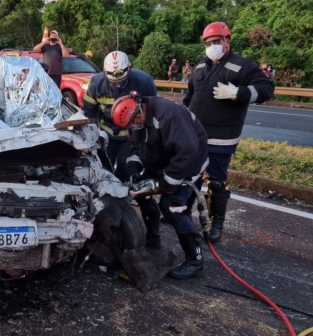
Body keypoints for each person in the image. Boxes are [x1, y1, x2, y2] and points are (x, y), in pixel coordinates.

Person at [184, 22, 274, 244]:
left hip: (222, 136)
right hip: (195, 133)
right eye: (208, 43)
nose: (212, 46)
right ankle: (182, 213)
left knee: (215, 181)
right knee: (189, 176)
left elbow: (266, 89)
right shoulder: (199, 67)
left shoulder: (242, 66)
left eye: (216, 42)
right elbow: (189, 97)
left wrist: (239, 93)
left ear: (227, 41)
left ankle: (216, 225)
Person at [112, 92, 209, 279]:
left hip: (188, 164)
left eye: (133, 123)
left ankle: (195, 261)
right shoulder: (136, 117)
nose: (133, 127)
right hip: (162, 159)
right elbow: (136, 145)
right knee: (140, 192)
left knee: (172, 206)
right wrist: (134, 166)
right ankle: (153, 239)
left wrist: (167, 183)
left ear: (138, 111)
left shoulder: (168, 114)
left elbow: (187, 152)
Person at [82, 51, 157, 181]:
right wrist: (93, 135)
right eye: (112, 82)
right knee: (103, 168)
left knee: (124, 169)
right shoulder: (96, 83)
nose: (117, 86)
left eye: (121, 82)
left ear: (128, 70)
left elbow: (152, 111)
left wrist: (144, 137)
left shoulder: (144, 82)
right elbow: (89, 112)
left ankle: (121, 194)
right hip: (105, 134)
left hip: (131, 136)